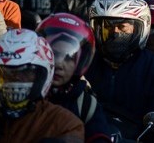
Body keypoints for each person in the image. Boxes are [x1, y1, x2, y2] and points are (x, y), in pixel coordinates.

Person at [85, 0, 154, 142]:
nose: (115, 34)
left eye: (122, 27)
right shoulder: (85, 64)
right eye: (107, 27)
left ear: (141, 28)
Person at [0, 29, 84, 142]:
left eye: (25, 73)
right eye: (6, 73)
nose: (15, 79)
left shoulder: (64, 124)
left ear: (43, 77)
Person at [36, 13, 112, 142]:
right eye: (54, 53)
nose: (59, 63)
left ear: (80, 63)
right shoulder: (24, 91)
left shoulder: (86, 104)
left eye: (69, 58)